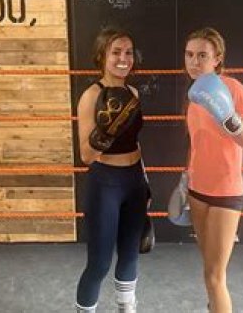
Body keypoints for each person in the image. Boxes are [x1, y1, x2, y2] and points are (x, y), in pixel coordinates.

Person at [75, 27, 148, 313]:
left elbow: (135, 142)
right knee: (99, 263)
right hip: (105, 183)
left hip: (134, 181)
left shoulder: (133, 93)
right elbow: (86, 155)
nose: (123, 58)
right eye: (116, 52)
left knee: (130, 255)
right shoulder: (91, 96)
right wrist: (106, 131)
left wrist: (144, 182)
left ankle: (127, 307)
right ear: (102, 56)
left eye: (128, 52)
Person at [183, 27, 243, 313]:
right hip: (197, 191)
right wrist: (185, 177)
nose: (194, 61)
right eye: (189, 54)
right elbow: (197, 143)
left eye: (202, 55)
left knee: (215, 277)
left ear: (217, 58)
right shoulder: (194, 96)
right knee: (209, 270)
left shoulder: (233, 89)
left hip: (226, 192)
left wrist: (227, 115)